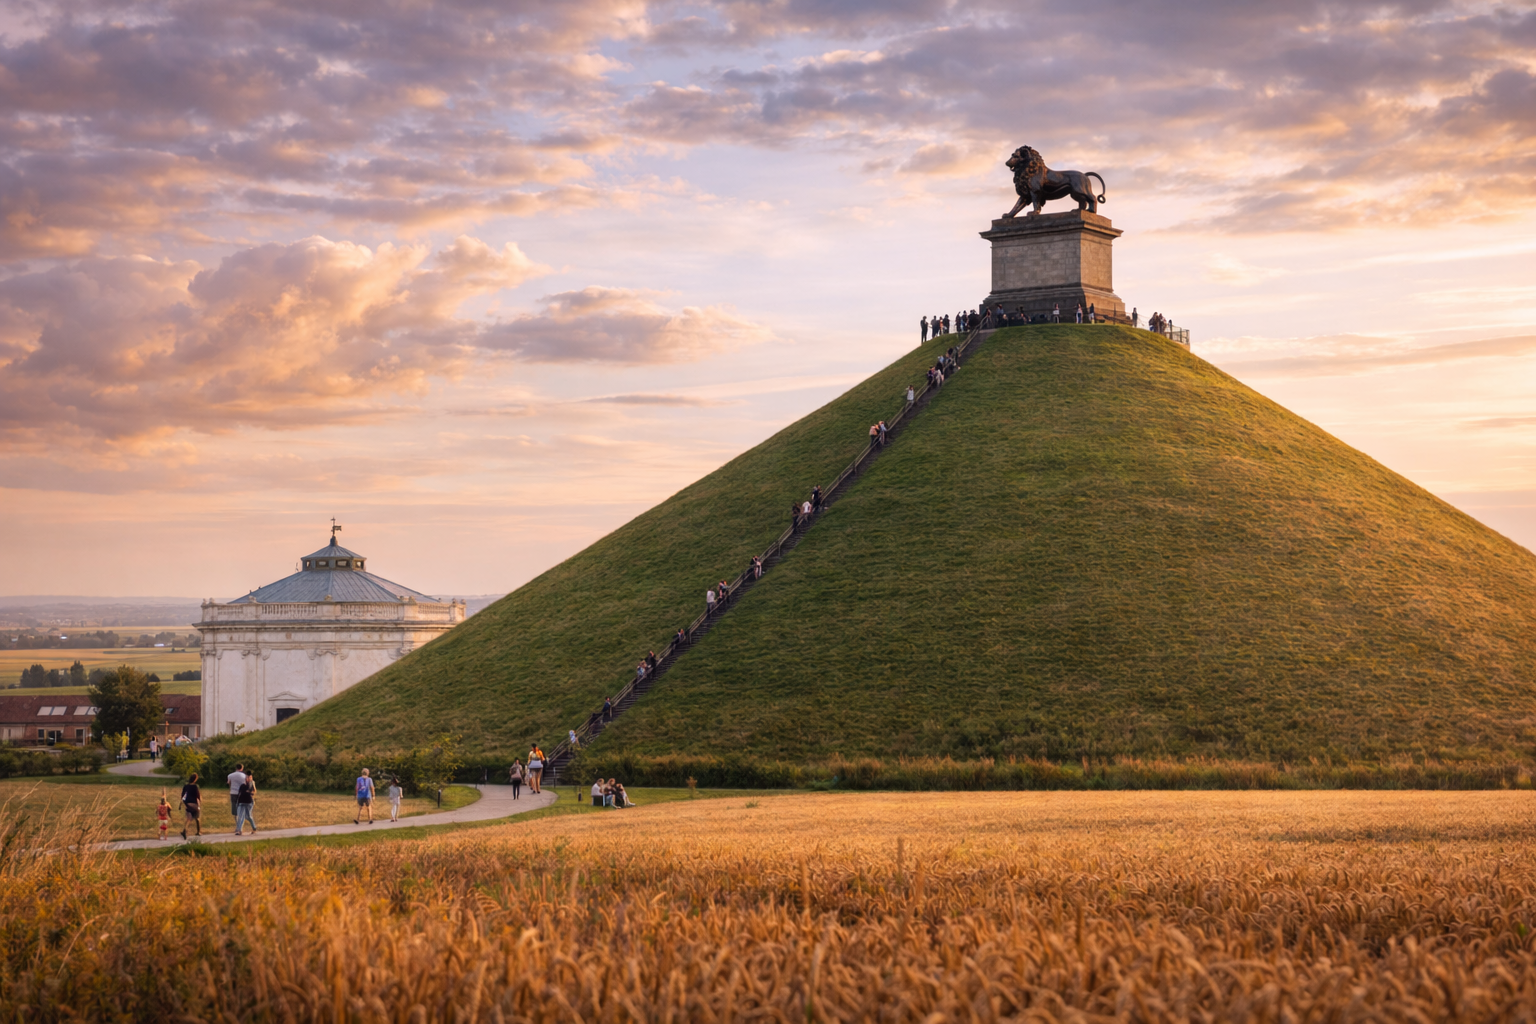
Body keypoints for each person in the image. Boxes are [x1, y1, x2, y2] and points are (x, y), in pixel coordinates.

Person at [179, 772, 202, 840]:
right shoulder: (195, 787)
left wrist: (182, 803)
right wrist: (199, 804)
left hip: (187, 803)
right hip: (194, 804)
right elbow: (198, 796)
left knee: (189, 818)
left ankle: (184, 831)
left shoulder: (186, 786)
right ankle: (198, 831)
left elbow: (183, 795)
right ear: (195, 779)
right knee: (197, 817)